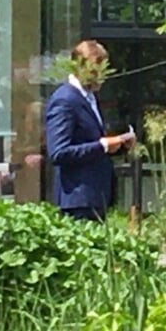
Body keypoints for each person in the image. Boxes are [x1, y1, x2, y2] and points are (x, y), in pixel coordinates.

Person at [44, 40, 135, 220]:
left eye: (103, 71)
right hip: (77, 200)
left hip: (95, 197)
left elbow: (89, 141)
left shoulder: (89, 97)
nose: (100, 77)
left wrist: (119, 145)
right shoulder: (65, 100)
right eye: (95, 71)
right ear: (78, 68)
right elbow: (58, 152)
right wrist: (102, 145)